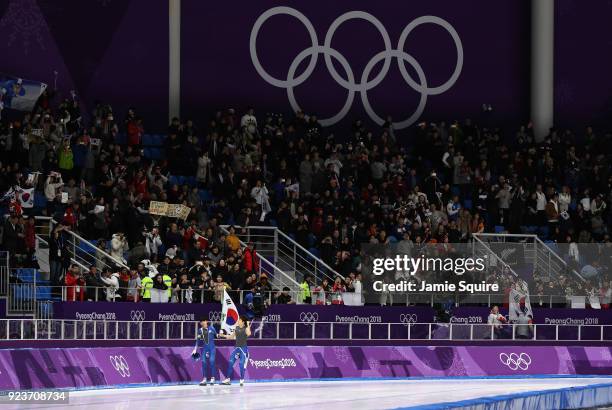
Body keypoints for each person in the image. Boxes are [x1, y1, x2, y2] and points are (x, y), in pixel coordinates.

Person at [220, 315, 251, 386]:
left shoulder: (246, 328)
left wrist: (248, 324)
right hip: (236, 349)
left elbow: (249, 334)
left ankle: (242, 379)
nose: (238, 321)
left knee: (241, 364)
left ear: (243, 322)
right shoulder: (236, 328)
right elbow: (231, 337)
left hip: (243, 349)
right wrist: (223, 335)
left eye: (239, 320)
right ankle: (227, 379)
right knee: (230, 362)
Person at [192, 318, 219, 386]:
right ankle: (204, 379)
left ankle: (213, 378)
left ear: (206, 321)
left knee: (211, 361)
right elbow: (198, 340)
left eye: (203, 321)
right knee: (203, 362)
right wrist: (195, 349)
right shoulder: (200, 330)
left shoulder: (212, 328)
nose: (202, 323)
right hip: (205, 348)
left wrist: (221, 333)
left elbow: (217, 336)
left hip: (212, 348)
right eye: (201, 322)